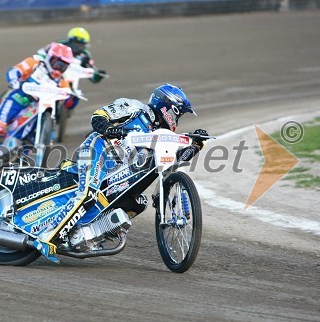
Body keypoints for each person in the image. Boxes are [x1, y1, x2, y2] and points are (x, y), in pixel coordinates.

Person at [37, 84, 208, 255]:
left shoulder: (161, 136)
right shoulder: (134, 108)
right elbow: (99, 116)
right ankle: (47, 236)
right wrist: (110, 129)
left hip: (116, 172)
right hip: (99, 149)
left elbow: (172, 164)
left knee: (138, 203)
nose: (176, 121)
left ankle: (86, 234)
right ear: (166, 106)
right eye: (178, 114)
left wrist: (195, 145)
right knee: (88, 193)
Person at [0, 42, 74, 162]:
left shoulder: (61, 80)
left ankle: (18, 158)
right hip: (17, 99)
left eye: (64, 66)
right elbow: (14, 71)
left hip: (34, 109)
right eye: (58, 63)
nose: (59, 69)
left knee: (30, 137)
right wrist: (14, 80)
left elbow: (68, 99)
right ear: (50, 58)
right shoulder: (36, 63)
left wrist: (72, 99)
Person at [36, 27, 107, 111]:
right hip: (53, 72)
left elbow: (92, 73)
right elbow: (40, 53)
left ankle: (68, 104)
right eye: (75, 43)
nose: (77, 47)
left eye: (80, 44)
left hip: (71, 78)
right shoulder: (57, 45)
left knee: (75, 96)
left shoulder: (85, 55)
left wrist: (97, 75)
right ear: (69, 40)